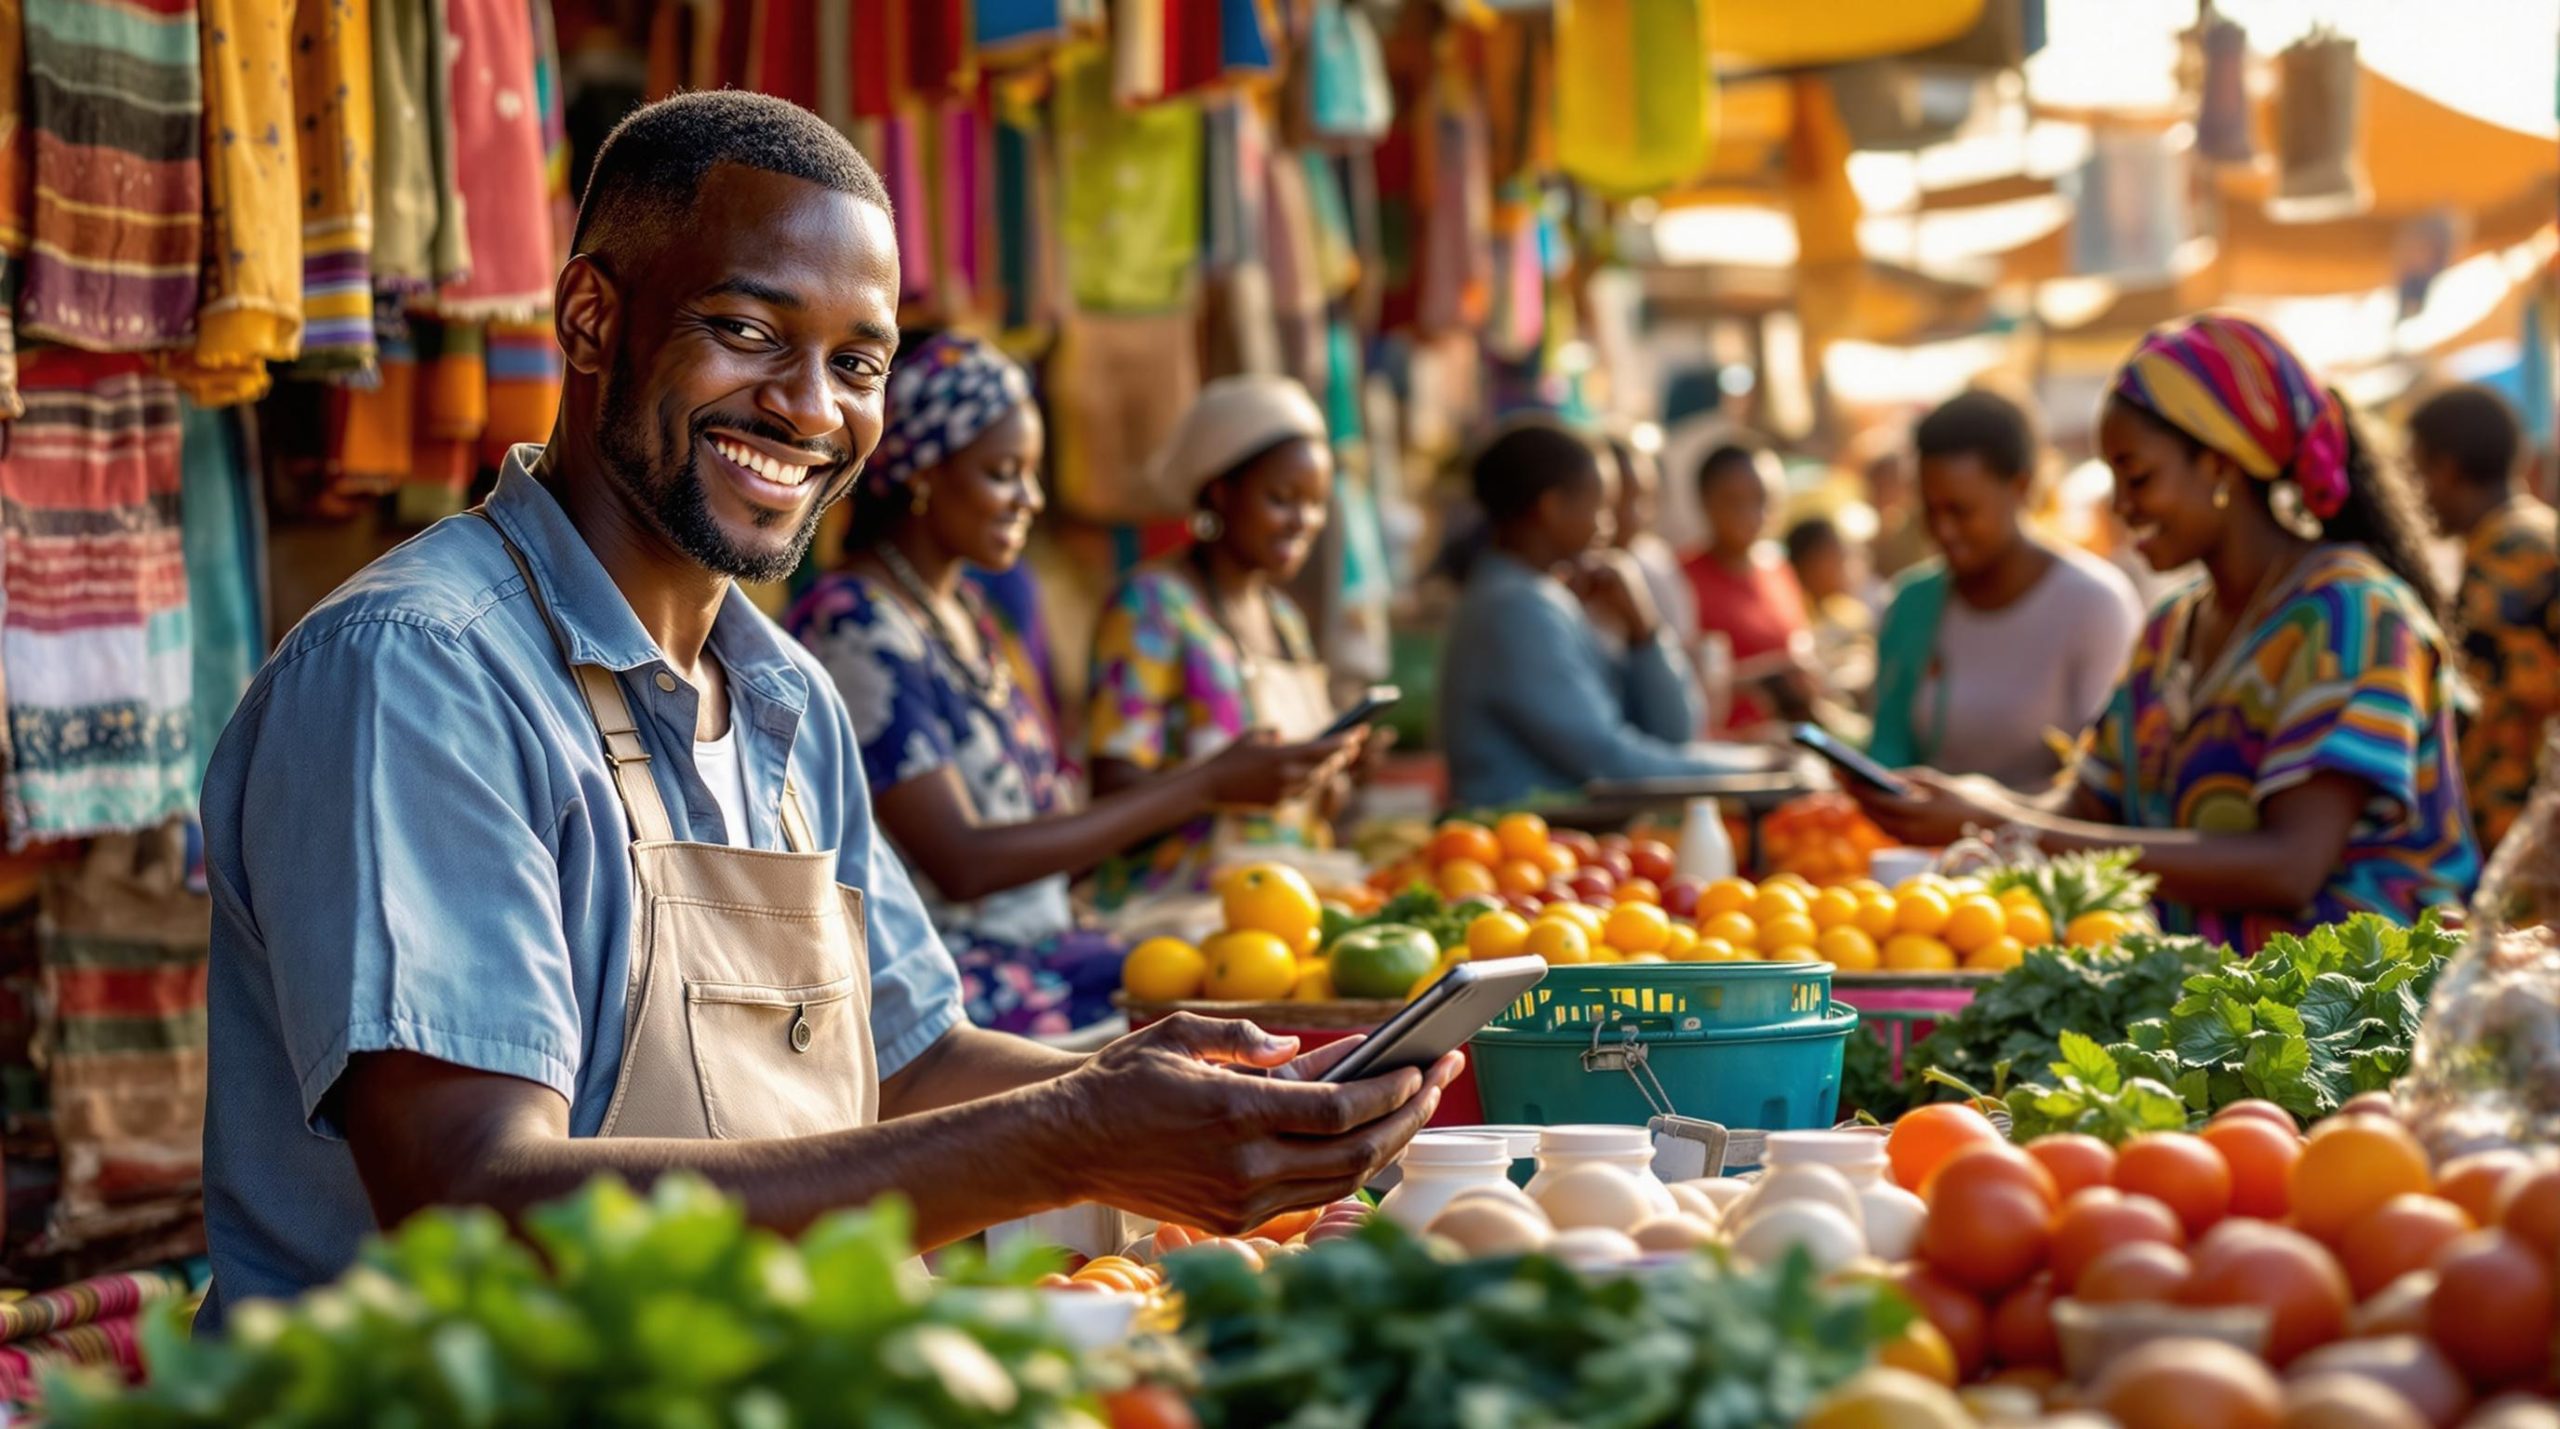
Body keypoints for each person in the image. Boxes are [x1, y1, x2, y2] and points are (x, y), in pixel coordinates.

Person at [196, 92, 1455, 1326]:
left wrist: (1179, 1090)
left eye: (857, 362)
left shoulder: (782, 692)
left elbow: (904, 1061)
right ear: (590, 318)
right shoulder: (419, 672)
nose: (810, 408)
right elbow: (473, 1198)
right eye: (747, 331)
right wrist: (1071, 1137)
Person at [1848, 312, 2479, 951]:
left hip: (2351, 1024)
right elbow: (2089, 805)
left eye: (2139, 477)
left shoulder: (2353, 616)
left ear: (2218, 463)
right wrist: (1974, 807)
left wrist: (2005, 822)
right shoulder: (2173, 627)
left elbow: (2289, 867)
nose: (2122, 507)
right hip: (2207, 1021)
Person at [787, 334, 1353, 1035]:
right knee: (1218, 1024)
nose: (1030, 498)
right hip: (941, 978)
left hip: (1047, 940)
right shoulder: (853, 624)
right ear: (921, 473)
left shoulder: (964, 616)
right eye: (1002, 473)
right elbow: (961, 863)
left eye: (1031, 473)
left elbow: (1049, 824)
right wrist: (1207, 785)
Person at [1084, 375, 1360, 907]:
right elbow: (1113, 792)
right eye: (1282, 499)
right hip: (1176, 913)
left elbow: (1300, 806)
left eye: (1316, 503)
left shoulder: (1284, 620)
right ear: (1220, 493)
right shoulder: (1152, 607)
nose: (1303, 521)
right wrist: (1218, 783)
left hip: (1285, 906)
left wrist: (1333, 769)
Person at [1439, 416, 1764, 808]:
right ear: (1553, 508)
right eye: (1601, 507)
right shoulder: (1515, 608)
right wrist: (1756, 770)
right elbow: (1609, 760)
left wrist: (1642, 628)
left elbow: (1672, 732)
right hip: (1519, 847)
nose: (1608, 526)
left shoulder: (1545, 596)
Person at [1868, 390, 2142, 792]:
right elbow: (1888, 748)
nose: (1944, 531)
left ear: (2020, 487)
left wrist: (1993, 816)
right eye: (1930, 509)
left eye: (1961, 511)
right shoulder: (1912, 605)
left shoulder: (2094, 606)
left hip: (2047, 849)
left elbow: (2107, 779)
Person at [2410, 383, 2558, 853]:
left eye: (2414, 470)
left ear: (2446, 469)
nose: (2412, 492)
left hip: (2524, 837)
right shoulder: (2528, 535)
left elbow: (2482, 706)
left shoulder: (2510, 555)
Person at [1683, 439, 1812, 733]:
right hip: (1724, 749)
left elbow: (1798, 644)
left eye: (1760, 498)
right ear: (1705, 501)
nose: (1750, 513)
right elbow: (1677, 683)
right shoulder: (1681, 578)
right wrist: (1760, 678)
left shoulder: (1778, 569)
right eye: (1732, 500)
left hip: (1786, 740)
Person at [1605, 427, 1697, 654]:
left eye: (1645, 498)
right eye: (1620, 498)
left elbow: (1684, 646)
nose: (1634, 515)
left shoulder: (1656, 561)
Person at [1784, 515, 1877, 706]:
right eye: (1837, 557)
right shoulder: (1792, 617)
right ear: (1808, 563)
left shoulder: (1852, 614)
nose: (1845, 566)